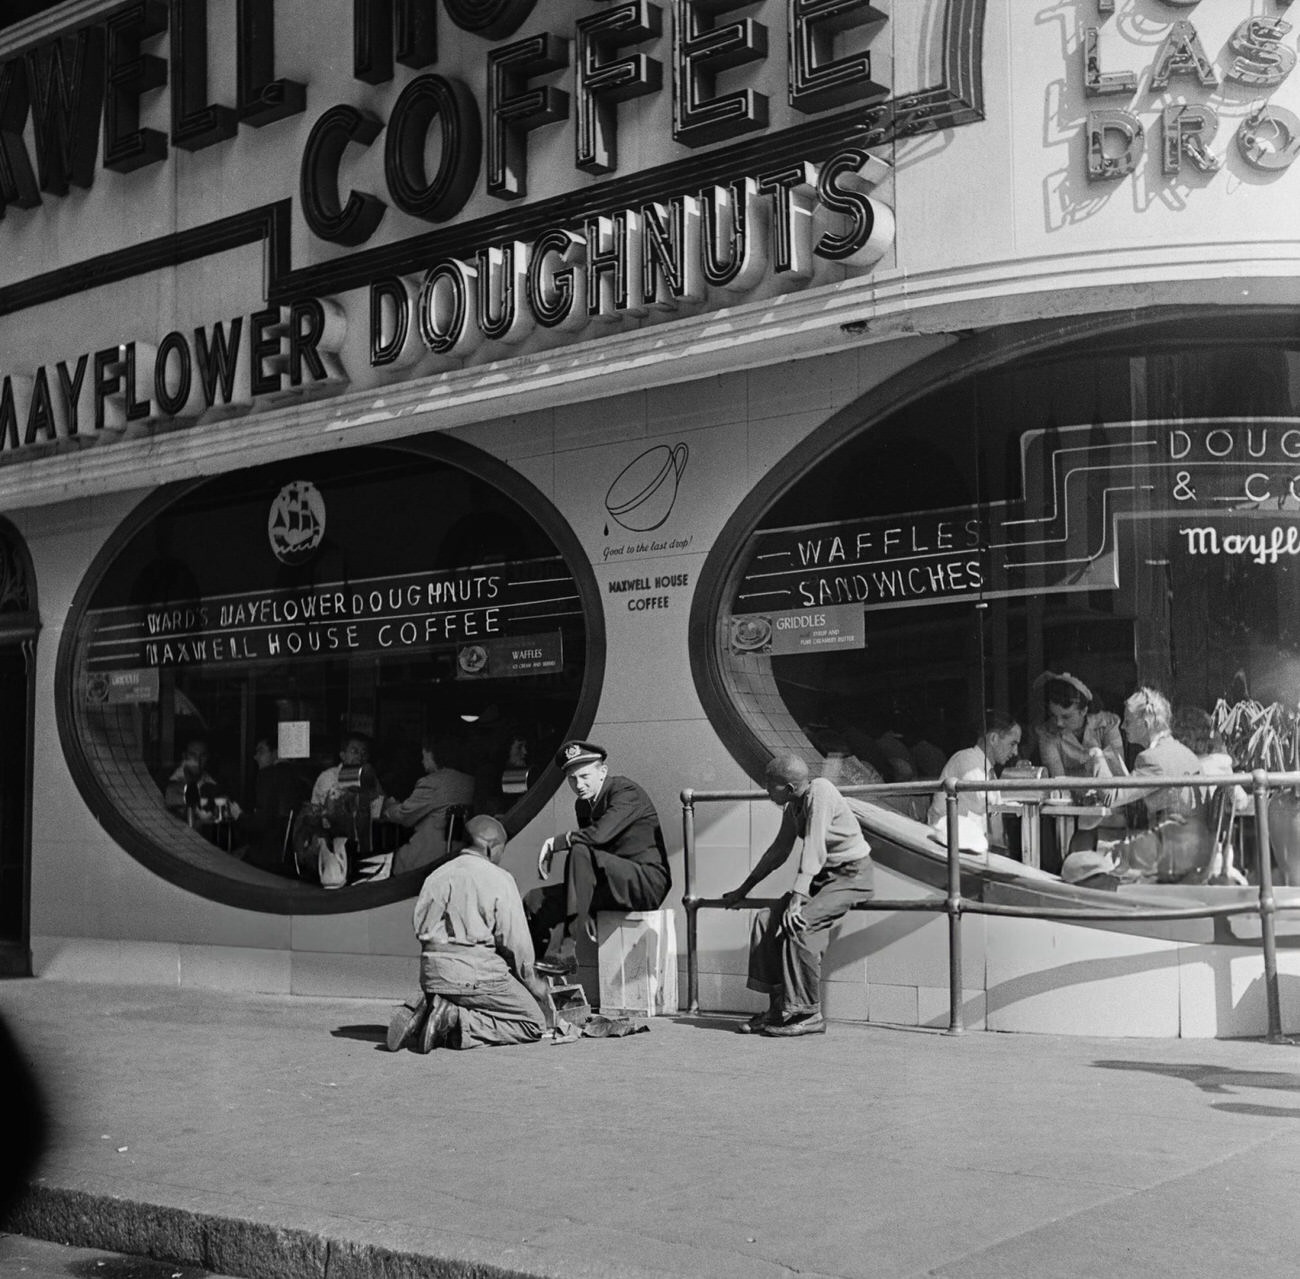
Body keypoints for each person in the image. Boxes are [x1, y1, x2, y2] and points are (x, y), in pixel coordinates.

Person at [720, 753, 874, 1037]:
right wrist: (743, 890)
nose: (766, 790)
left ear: (789, 787)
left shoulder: (821, 792)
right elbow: (778, 852)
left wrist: (797, 897)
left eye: (770, 784)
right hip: (820, 879)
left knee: (799, 924)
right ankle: (779, 1010)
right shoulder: (794, 805)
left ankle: (808, 1013)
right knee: (766, 920)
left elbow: (815, 846)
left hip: (851, 876)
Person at [385, 815, 551, 1052]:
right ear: (490, 847)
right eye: (502, 850)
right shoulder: (500, 878)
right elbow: (516, 942)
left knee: (473, 991)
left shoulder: (436, 875)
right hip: (475, 975)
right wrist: (532, 982)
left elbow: (420, 925)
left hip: (432, 974)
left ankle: (430, 1008)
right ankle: (453, 1020)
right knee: (532, 1022)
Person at [522, 740, 670, 975]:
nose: (579, 785)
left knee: (579, 849)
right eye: (572, 779)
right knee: (535, 899)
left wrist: (556, 843)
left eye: (584, 776)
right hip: (609, 884)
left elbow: (598, 836)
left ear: (603, 772)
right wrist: (587, 907)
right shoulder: (583, 806)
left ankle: (566, 949)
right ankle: (535, 973)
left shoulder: (625, 791)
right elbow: (590, 859)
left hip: (644, 883)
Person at [1061, 687, 1211, 886]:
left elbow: (1110, 797)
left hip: (1169, 857)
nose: (1123, 727)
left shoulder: (1152, 759)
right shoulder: (1182, 753)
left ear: (1146, 721)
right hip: (1187, 848)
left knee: (1076, 857)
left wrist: (1096, 756)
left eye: (1128, 721)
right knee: (1099, 841)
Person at [925, 713, 1022, 854]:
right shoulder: (966, 759)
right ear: (994, 739)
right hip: (946, 847)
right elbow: (982, 800)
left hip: (968, 848)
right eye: (1012, 744)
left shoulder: (989, 771)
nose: (1015, 752)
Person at [380, 737, 476, 876]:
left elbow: (405, 816)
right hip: (458, 854)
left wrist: (388, 807)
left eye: (424, 756)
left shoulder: (432, 783)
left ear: (433, 755)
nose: (422, 761)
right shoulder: (469, 781)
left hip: (427, 858)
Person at [308, 733, 385, 886]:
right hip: (330, 842)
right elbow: (328, 815)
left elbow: (379, 809)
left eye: (364, 752)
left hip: (361, 843)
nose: (360, 756)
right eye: (354, 751)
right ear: (342, 755)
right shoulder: (329, 777)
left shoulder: (369, 778)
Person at [229, 737, 305, 871]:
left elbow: (262, 822)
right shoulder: (300, 777)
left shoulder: (267, 775)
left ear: (275, 753)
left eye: (261, 752)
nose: (255, 757)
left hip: (266, 856)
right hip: (294, 856)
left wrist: (239, 816)